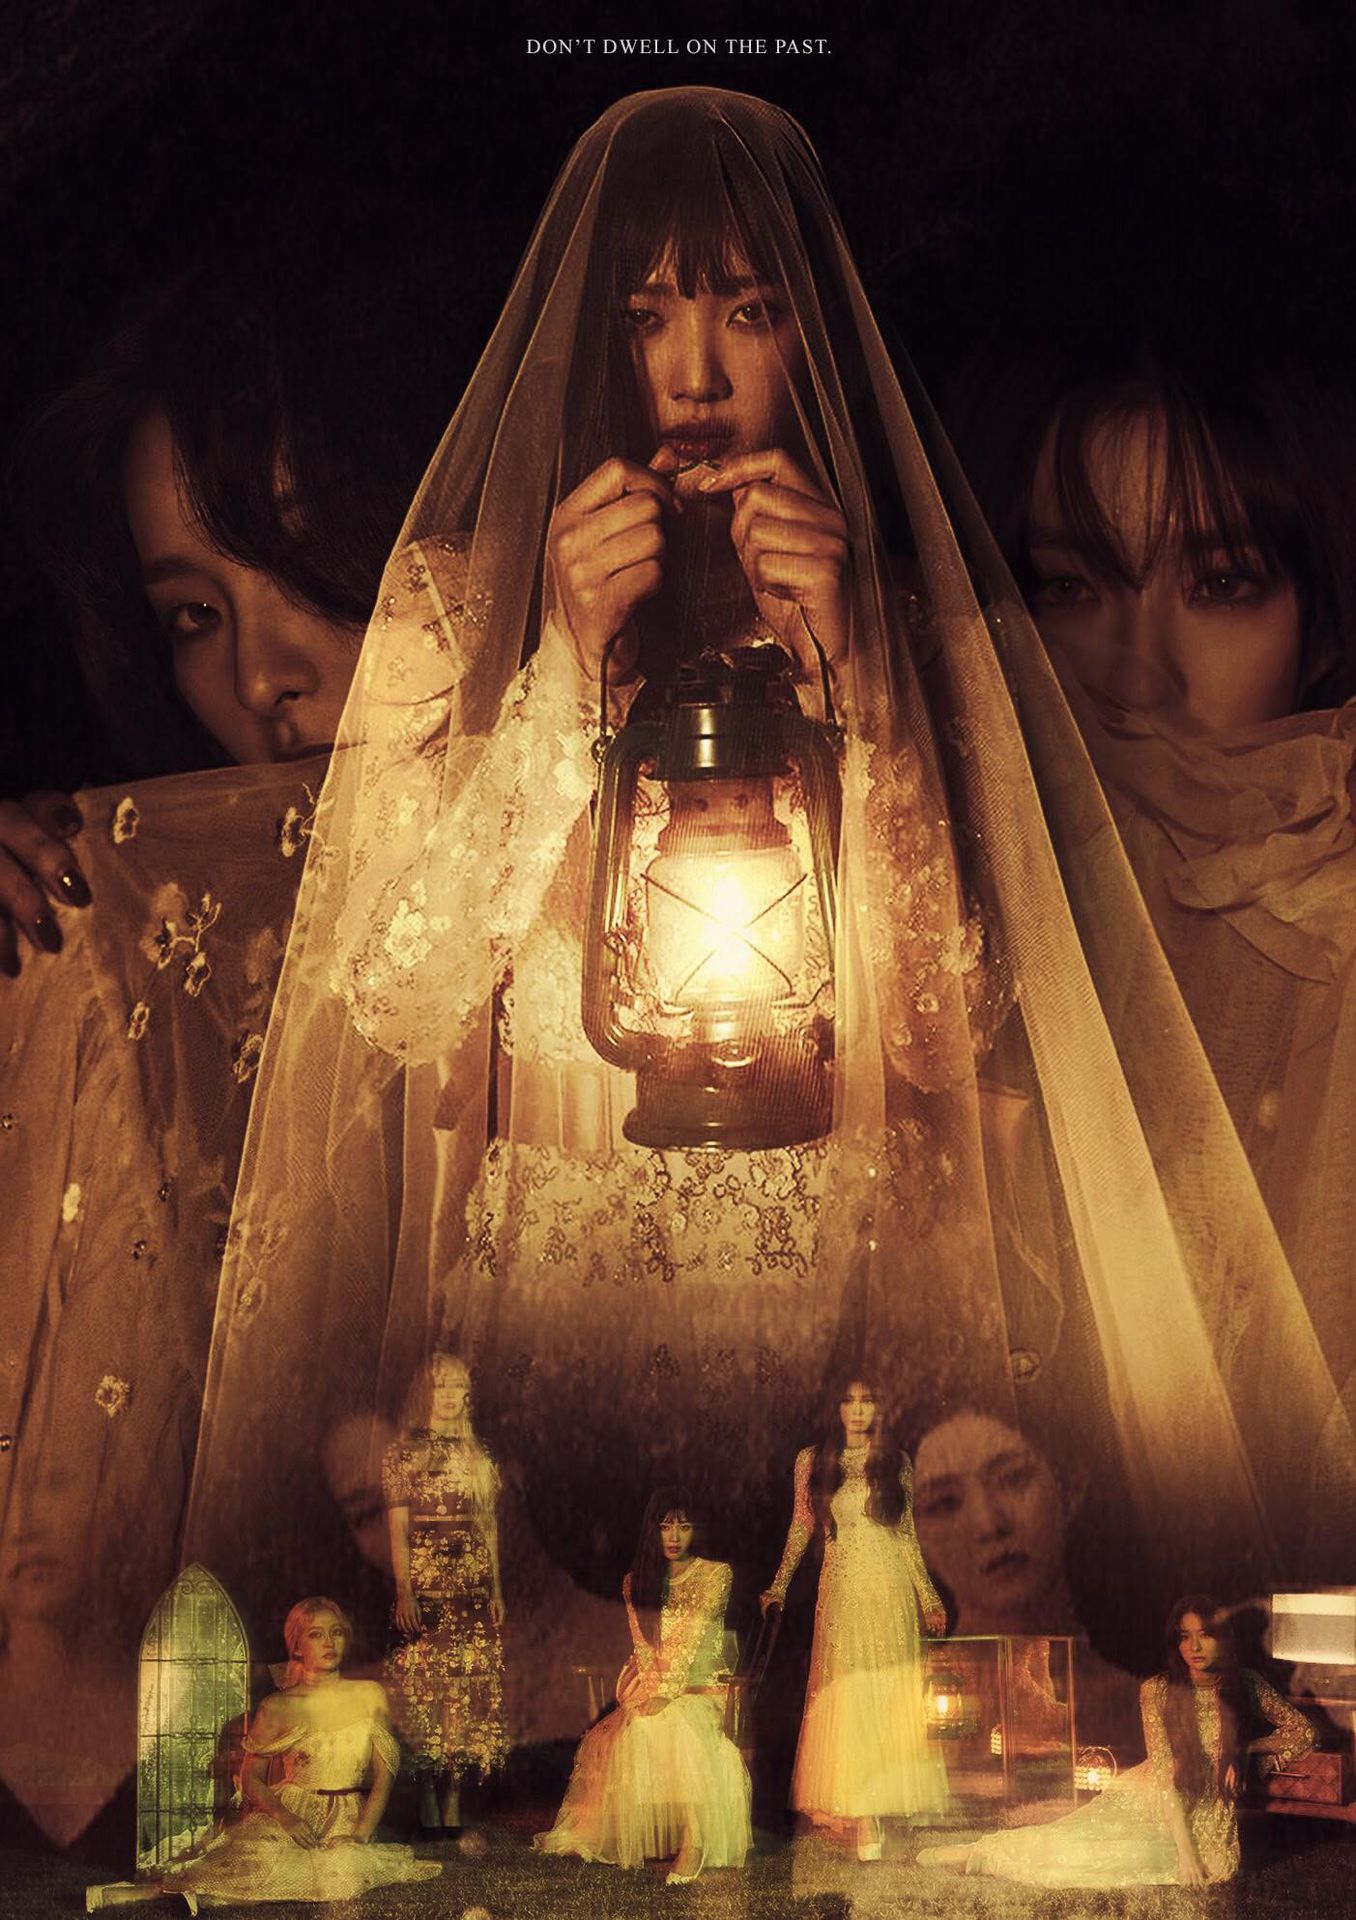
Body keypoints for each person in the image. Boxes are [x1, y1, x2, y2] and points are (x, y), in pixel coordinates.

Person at [185, 89, 1344, 1721]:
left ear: (814, 337)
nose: (695, 375)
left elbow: (948, 1025)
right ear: (588, 343)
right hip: (567, 1311)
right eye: (646, 315)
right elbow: (394, 995)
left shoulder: (900, 628)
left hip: (849, 1296)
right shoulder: (460, 615)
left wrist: (857, 680)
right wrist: (564, 672)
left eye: (746, 312)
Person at [0, 267, 452, 1847]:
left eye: (314, 569)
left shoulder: (696, 874)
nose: (261, 678)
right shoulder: (145, 943)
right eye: (194, 616)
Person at [949, 339, 1356, 1554]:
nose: (1139, 671)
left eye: (1221, 584)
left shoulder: (1330, 902)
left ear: (1320, 619)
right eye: (1073, 589)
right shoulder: (951, 887)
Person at [918, 1593, 1314, 1887]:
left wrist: (1246, 1751)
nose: (1193, 1648)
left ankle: (978, 1853)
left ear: (1222, 1639)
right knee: (1084, 1849)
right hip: (1156, 1800)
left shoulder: (1245, 1685)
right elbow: (1164, 1777)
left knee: (1215, 1867)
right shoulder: (1158, 1691)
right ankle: (978, 1853)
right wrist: (1185, 1853)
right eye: (1184, 1637)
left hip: (1209, 1813)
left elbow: (1302, 1731)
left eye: (1204, 1635)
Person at [86, 1596, 441, 1908]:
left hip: (349, 1817)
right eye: (315, 1634)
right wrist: (286, 1818)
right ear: (297, 1647)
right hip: (293, 1811)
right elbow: (251, 1777)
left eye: (336, 1632)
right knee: (254, 1864)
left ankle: (198, 1899)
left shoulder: (369, 1695)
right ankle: (141, 1894)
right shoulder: (277, 1706)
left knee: (340, 1872)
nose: (328, 1642)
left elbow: (385, 1775)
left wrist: (360, 1835)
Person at [760, 1379, 948, 1861]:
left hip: (890, 1590)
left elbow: (905, 1534)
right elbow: (801, 1525)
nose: (859, 1410)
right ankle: (862, 1813)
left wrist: (928, 1596)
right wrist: (778, 1584)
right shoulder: (812, 1460)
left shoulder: (894, 1461)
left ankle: (880, 1805)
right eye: (850, 1400)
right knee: (849, 1691)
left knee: (887, 1693)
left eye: (868, 1401)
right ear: (835, 1407)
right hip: (843, 1590)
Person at [536, 1487, 750, 1884]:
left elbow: (691, 1640)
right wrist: (650, 1692)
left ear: (697, 1531)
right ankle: (667, 1834)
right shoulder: (635, 1581)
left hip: (703, 1688)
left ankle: (694, 1841)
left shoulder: (716, 1575)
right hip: (655, 1684)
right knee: (639, 1724)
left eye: (684, 1527)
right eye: (665, 1527)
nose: (674, 1537)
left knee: (674, 1723)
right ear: (653, 1531)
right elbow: (643, 1646)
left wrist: (667, 1694)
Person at [382, 1353, 507, 1832]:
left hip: (471, 1587)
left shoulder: (478, 1453)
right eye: (441, 1386)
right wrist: (405, 1590)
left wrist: (496, 1588)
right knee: (426, 1691)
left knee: (464, 1694)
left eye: (458, 1386)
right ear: (426, 1394)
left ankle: (453, 1801)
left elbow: (488, 1525)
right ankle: (427, 1798)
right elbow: (398, 1530)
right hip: (427, 1586)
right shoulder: (404, 1454)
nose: (450, 1395)